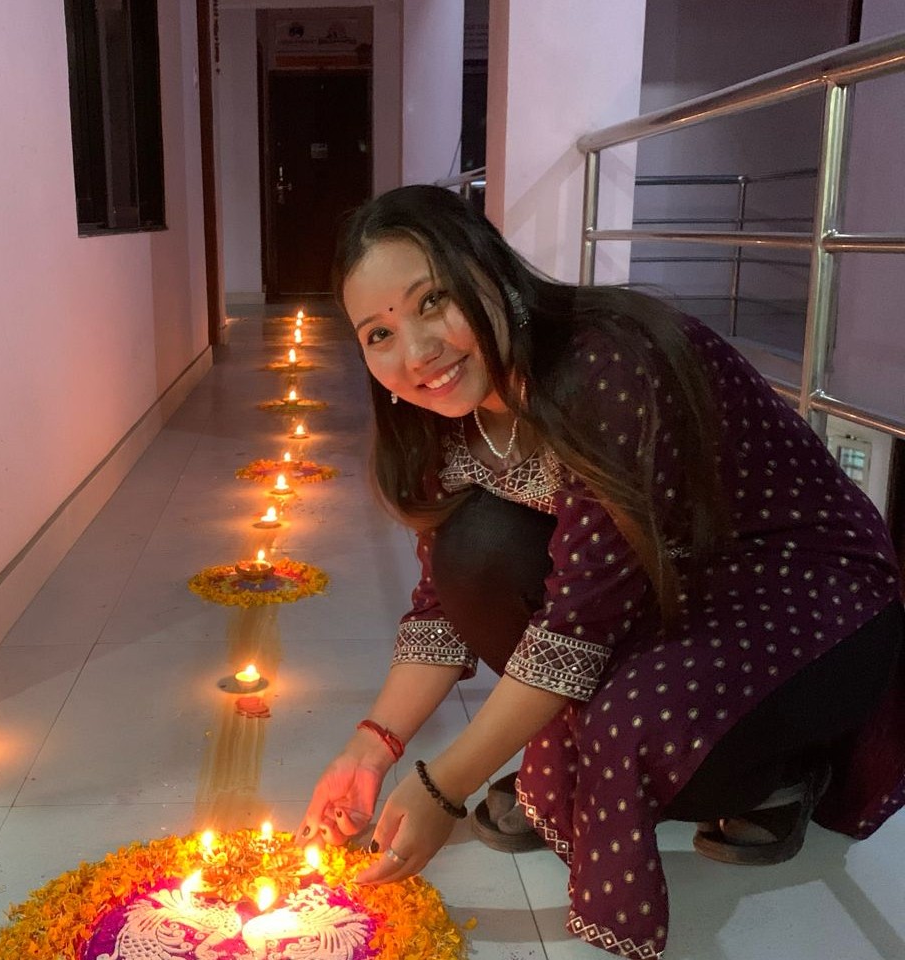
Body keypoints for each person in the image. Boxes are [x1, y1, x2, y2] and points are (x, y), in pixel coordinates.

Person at [296, 184, 905, 959]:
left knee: (635, 727)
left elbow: (578, 624)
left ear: (489, 272)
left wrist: (443, 785)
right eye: (377, 333)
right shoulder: (442, 418)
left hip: (804, 590)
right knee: (471, 552)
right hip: (664, 581)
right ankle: (594, 769)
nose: (415, 354)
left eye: (433, 301)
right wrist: (370, 748)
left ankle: (777, 769)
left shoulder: (602, 363)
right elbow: (444, 606)